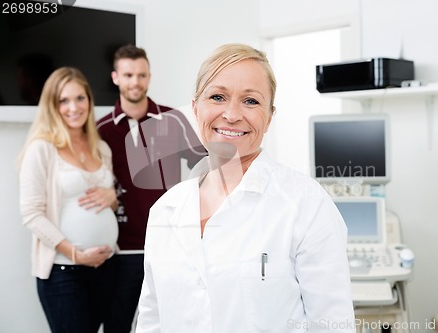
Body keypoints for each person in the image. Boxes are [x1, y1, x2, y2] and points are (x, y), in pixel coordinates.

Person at [135, 43, 356, 332]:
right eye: (217, 96)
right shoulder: (165, 210)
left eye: (250, 101)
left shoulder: (305, 203)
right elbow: (152, 320)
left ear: (269, 117)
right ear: (195, 108)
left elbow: (333, 324)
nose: (231, 114)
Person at [96, 44, 207, 332]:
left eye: (141, 75)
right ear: (115, 77)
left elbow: (204, 165)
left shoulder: (172, 119)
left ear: (149, 77)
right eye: (129, 75)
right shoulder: (101, 129)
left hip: (171, 243)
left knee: (172, 323)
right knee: (117, 325)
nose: (136, 82)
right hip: (123, 250)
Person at [18, 67, 119, 333]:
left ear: (89, 100)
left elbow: (110, 204)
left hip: (105, 267)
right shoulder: (42, 149)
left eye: (80, 98)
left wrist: (112, 197)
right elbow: (31, 214)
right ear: (52, 105)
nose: (73, 107)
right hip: (64, 272)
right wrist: (75, 254)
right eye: (64, 100)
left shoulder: (101, 148)